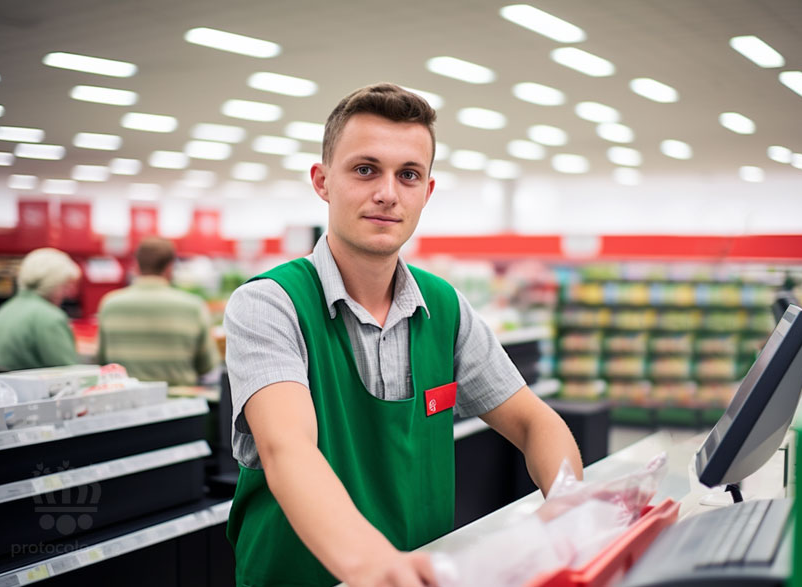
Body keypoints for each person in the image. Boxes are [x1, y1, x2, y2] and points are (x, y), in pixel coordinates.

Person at [224, 83, 584, 587]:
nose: (388, 193)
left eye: (408, 175)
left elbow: (532, 422)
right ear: (322, 181)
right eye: (365, 169)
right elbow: (289, 449)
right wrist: (376, 566)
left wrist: (570, 506)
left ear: (427, 192)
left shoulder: (445, 308)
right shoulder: (269, 304)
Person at [96, 236, 219, 385]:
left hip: (125, 400)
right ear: (169, 267)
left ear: (136, 265)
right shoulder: (193, 306)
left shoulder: (110, 304)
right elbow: (206, 366)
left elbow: (102, 360)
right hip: (179, 403)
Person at [0, 247, 81, 370]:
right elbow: (69, 373)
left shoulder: (4, 311)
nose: (69, 293)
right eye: (65, 285)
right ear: (52, 283)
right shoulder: (50, 317)